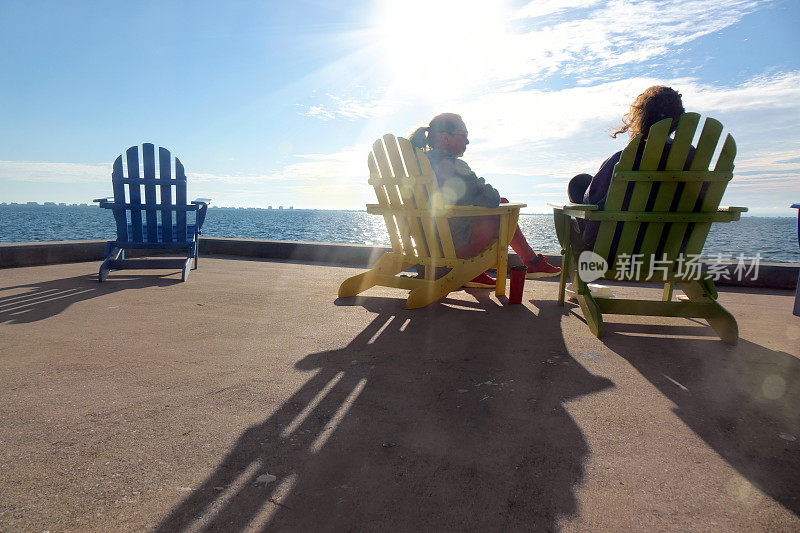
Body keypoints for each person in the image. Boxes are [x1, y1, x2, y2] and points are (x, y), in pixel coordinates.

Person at [409, 113, 560, 287]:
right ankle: (531, 262)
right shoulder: (453, 165)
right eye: (463, 135)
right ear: (445, 138)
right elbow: (491, 197)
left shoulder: (418, 165)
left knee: (497, 204)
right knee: (505, 209)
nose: (467, 142)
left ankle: (477, 273)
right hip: (451, 250)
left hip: (425, 248)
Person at [567, 86, 692, 248]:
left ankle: (586, 252)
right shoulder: (692, 159)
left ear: (641, 117)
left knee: (579, 183)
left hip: (618, 249)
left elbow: (591, 200)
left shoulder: (624, 160)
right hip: (670, 249)